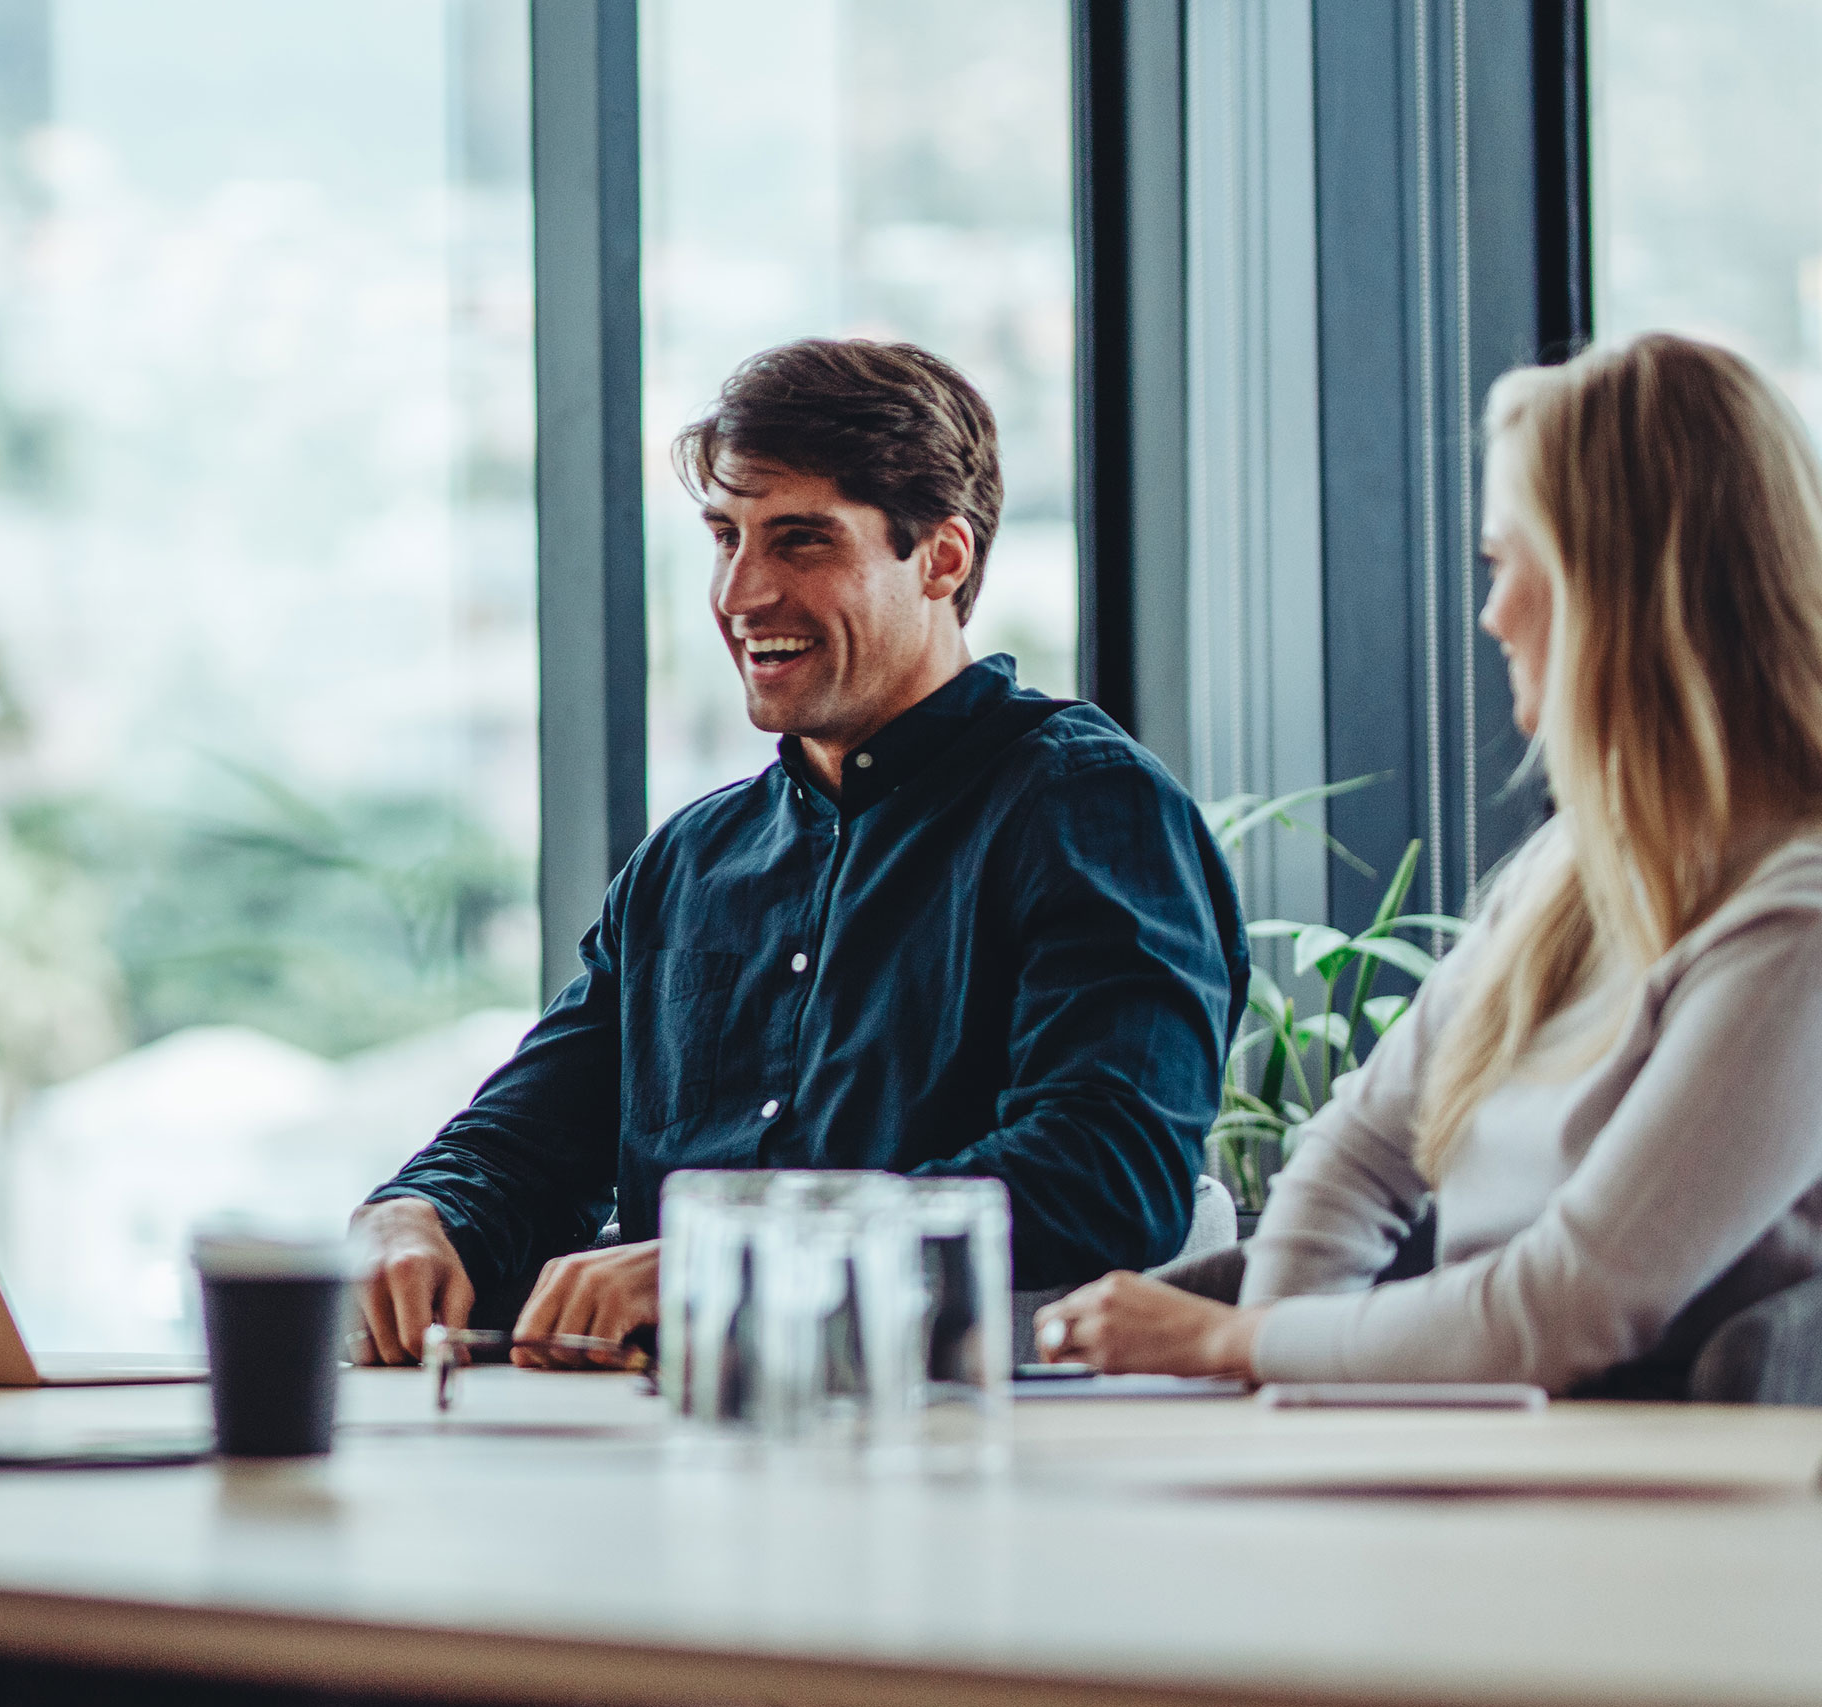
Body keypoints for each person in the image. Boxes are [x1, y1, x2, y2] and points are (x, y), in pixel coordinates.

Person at [356, 339, 1243, 1367]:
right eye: (725, 537)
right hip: (662, 1449)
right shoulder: (689, 861)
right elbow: (528, 1139)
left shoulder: (1088, 807)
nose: (741, 593)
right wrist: (415, 1211)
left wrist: (730, 1258)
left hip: (968, 1454)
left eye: (802, 542)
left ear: (942, 558)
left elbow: (1105, 1175)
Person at [1040, 333, 1822, 1394]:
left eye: (1510, 564)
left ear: (1618, 592)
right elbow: (1358, 1153)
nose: (1493, 614)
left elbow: (1570, 1303)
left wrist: (1234, 1342)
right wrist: (1285, 1378)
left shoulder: (1796, 926)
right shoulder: (1577, 869)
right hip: (1497, 1452)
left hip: (1653, 1500)